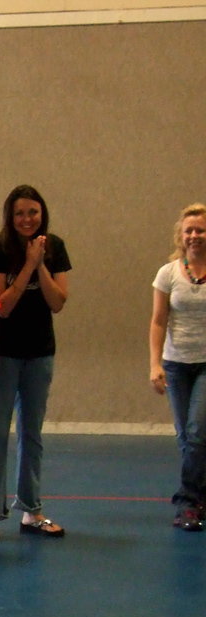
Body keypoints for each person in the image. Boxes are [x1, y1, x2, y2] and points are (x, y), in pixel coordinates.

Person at [0, 185, 71, 543]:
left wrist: (41, 263)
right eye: (20, 214)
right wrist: (28, 264)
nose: (27, 219)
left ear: (42, 213)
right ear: (9, 217)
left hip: (40, 353)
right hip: (2, 353)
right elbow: (2, 306)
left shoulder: (54, 247)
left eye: (33, 212)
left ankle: (31, 509)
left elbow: (58, 301)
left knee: (32, 434)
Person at [149, 202, 206, 531]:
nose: (195, 235)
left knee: (198, 433)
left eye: (200, 230)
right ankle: (201, 495)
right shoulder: (168, 273)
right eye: (189, 231)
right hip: (176, 365)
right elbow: (158, 321)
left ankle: (186, 501)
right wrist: (155, 364)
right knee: (187, 437)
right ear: (181, 236)